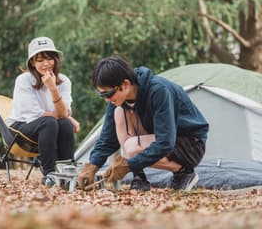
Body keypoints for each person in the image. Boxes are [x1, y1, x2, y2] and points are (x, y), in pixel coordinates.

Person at [78, 57, 208, 191]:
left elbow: (165, 142)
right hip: (163, 140)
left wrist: (129, 164)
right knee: (119, 112)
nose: (106, 99)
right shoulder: (117, 100)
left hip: (191, 145)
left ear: (126, 84)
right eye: (102, 95)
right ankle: (139, 177)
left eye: (109, 94)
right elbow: (107, 139)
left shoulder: (159, 91)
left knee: (132, 147)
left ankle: (183, 172)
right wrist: (92, 165)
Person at [6, 36, 80, 186]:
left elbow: (63, 115)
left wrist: (53, 88)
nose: (46, 64)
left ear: (55, 59)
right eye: (40, 60)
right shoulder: (24, 80)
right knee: (50, 122)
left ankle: (67, 172)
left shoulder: (64, 81)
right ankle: (49, 174)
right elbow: (37, 115)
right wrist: (66, 116)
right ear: (32, 63)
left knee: (64, 124)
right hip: (19, 129)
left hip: (47, 125)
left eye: (49, 58)